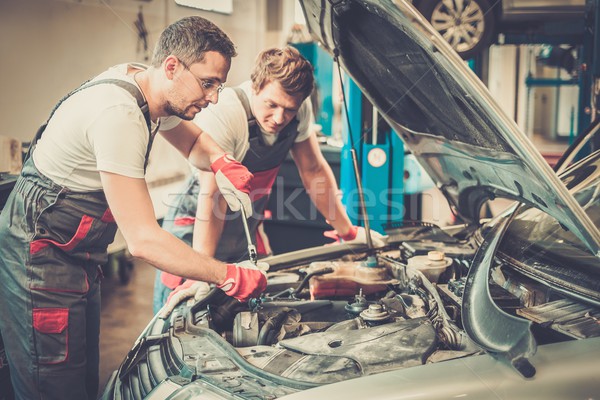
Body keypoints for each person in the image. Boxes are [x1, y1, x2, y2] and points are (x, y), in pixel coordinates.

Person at [0, 16, 267, 400]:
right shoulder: (120, 114)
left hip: (77, 257)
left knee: (79, 378)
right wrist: (226, 275)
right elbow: (143, 240)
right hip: (40, 259)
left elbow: (193, 145)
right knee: (53, 385)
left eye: (220, 85)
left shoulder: (150, 84)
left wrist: (222, 161)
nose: (213, 97)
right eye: (208, 83)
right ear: (172, 65)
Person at [154, 46, 386, 314]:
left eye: (289, 109)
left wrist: (348, 232)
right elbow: (213, 195)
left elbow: (313, 171)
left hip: (243, 228)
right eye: (271, 105)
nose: (279, 118)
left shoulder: (299, 110)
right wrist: (201, 270)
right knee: (183, 315)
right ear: (255, 86)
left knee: (259, 309)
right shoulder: (228, 114)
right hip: (195, 229)